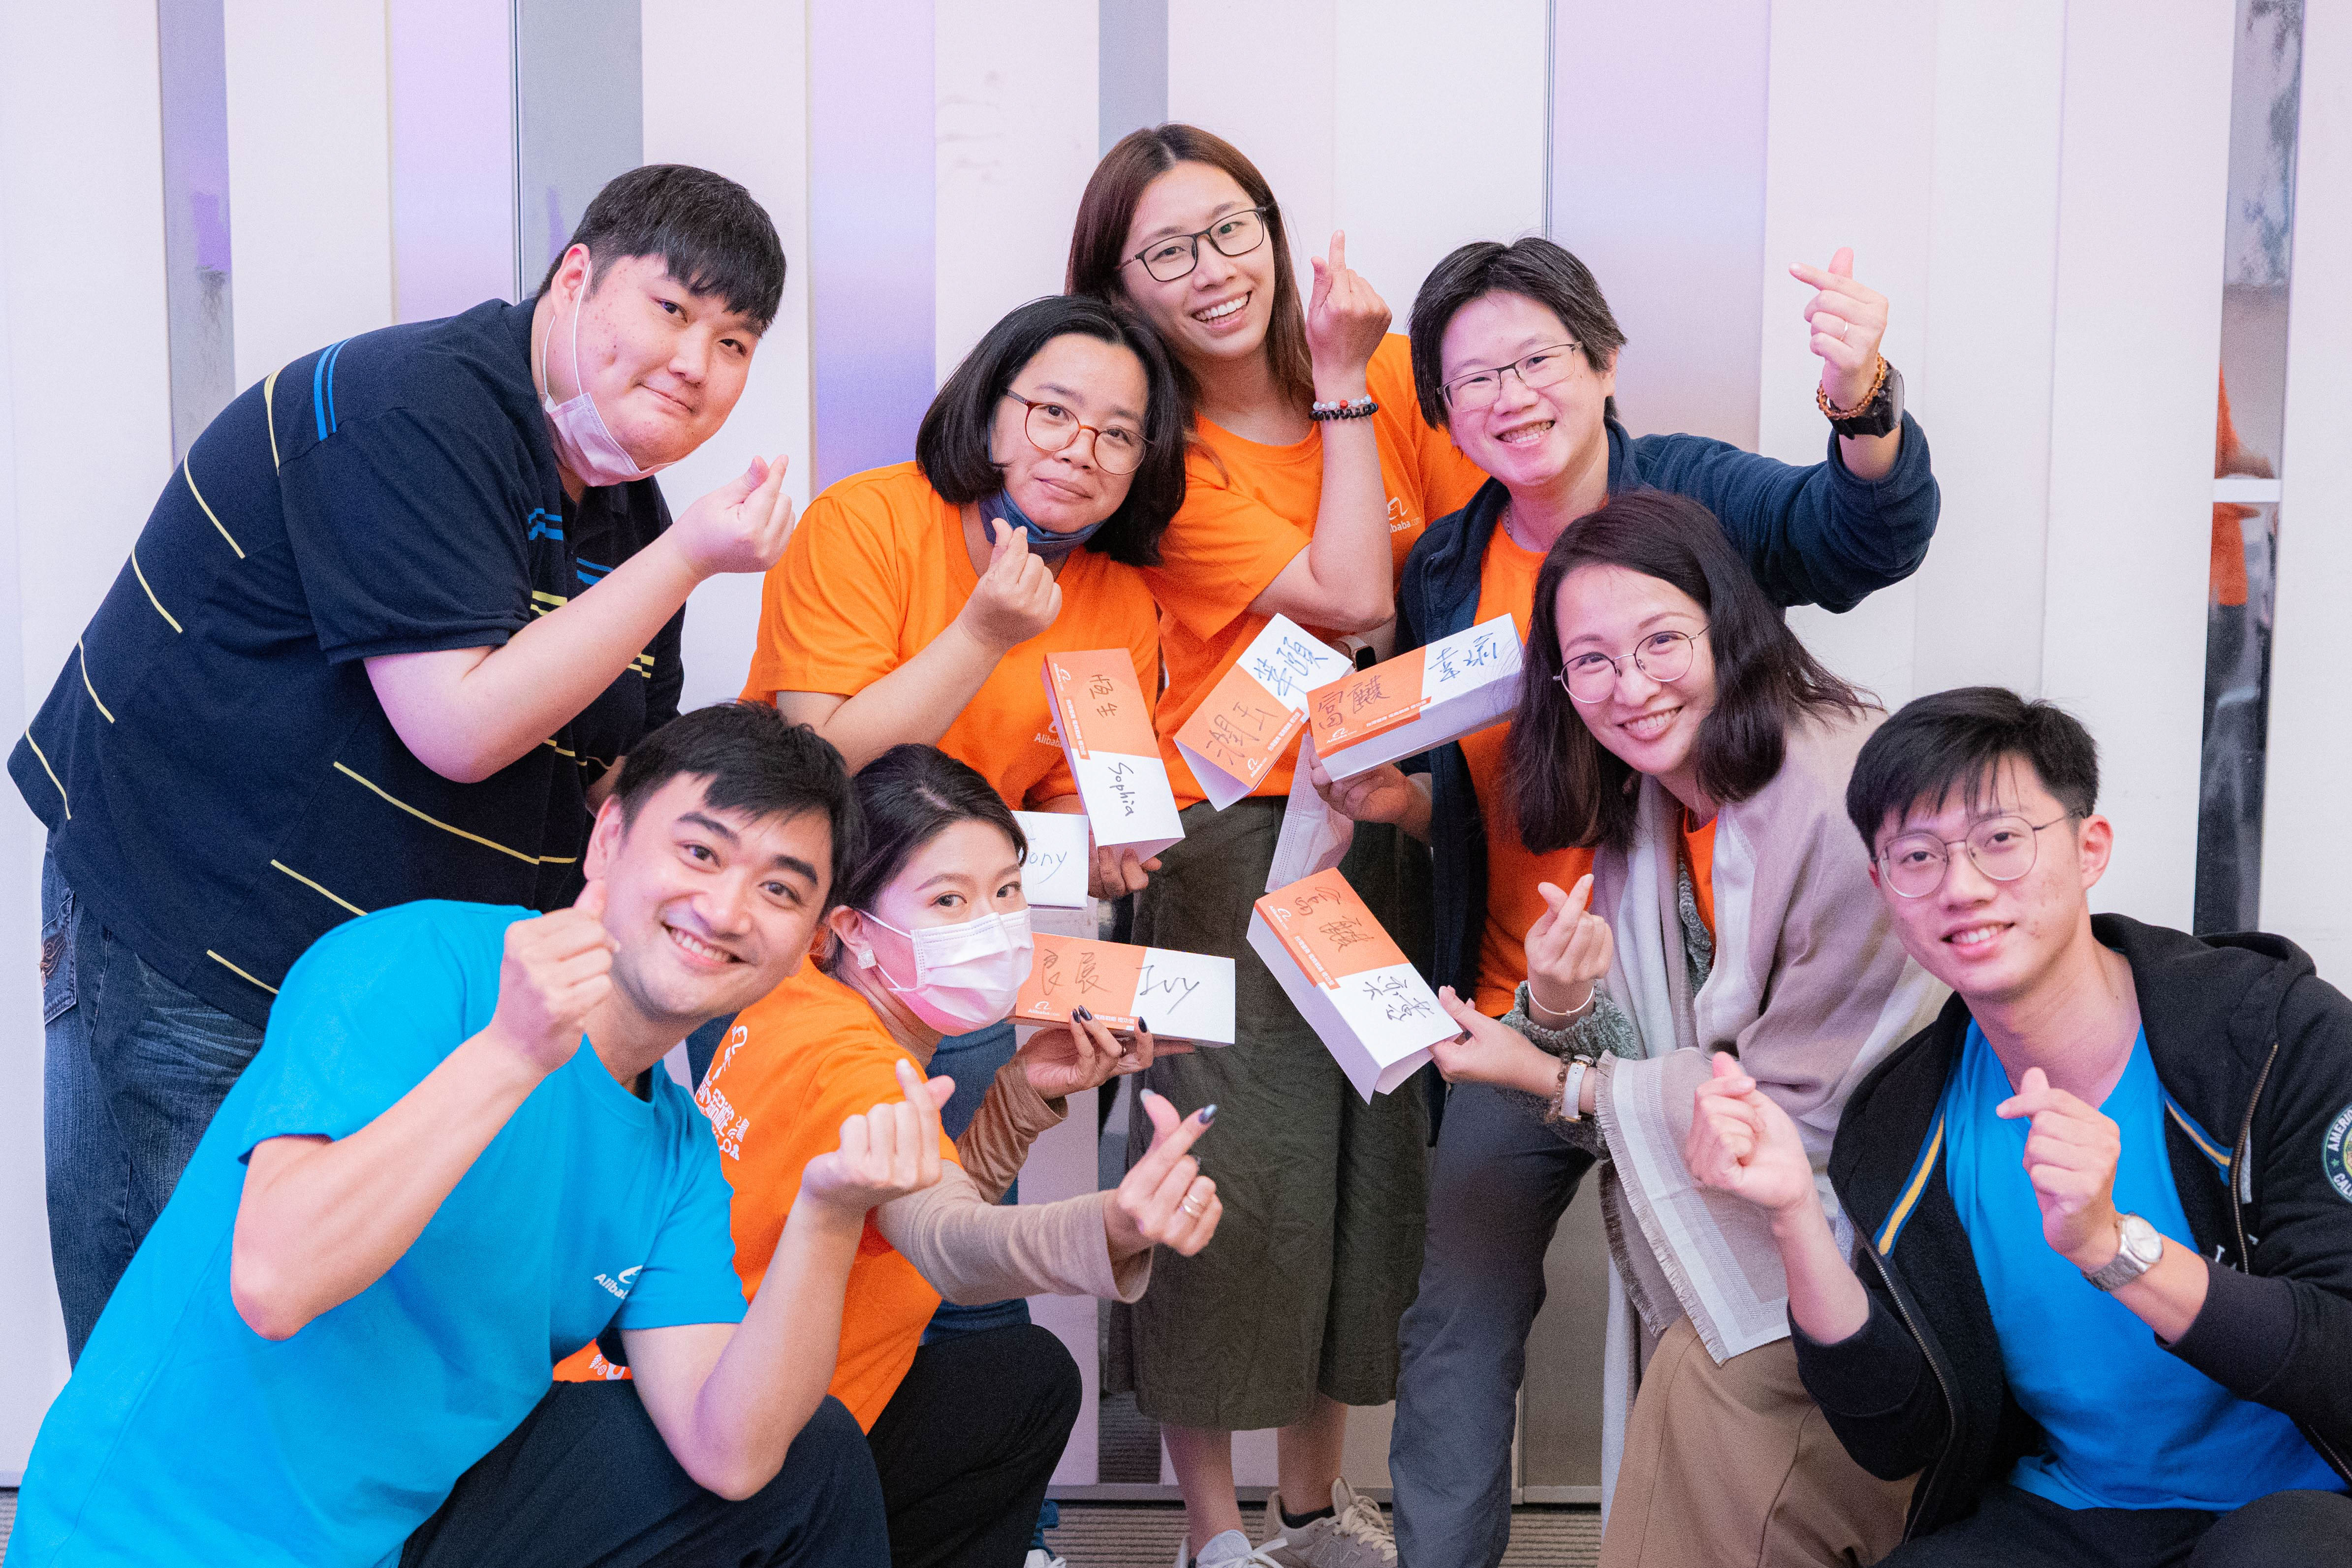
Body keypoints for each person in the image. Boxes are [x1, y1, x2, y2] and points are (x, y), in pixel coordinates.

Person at [21, 163, 800, 1360]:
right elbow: (460, 726)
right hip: (198, 929)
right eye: (671, 309)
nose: (698, 363)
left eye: (735, 343)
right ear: (576, 278)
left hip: (378, 982)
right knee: (181, 1346)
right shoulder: (417, 408)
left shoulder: (623, 514)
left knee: (334, 1361)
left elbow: (607, 792)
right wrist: (692, 557)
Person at [1331, 235, 1940, 1566]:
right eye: (1472, 378)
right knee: (1455, 1327)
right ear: (1441, 412)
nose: (1509, 396)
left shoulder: (1692, 502)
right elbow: (1488, 780)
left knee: (1717, 1332)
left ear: (1602, 362)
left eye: (1535, 359)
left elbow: (1860, 533)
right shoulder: (1445, 565)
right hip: (1520, 1003)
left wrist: (1862, 399)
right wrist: (1406, 811)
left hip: (1711, 1013)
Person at [7, 703, 933, 1568]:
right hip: (164, 1540)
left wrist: (828, 1216)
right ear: (609, 839)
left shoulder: (675, 1150)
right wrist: (511, 1053)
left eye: (779, 889)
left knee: (815, 1459)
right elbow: (275, 1283)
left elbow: (732, 1455)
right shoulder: (418, 962)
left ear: (811, 938)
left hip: (404, 1531)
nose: (728, 911)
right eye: (699, 851)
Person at [1065, 123, 1486, 1568]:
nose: (1210, 269)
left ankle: (1309, 1510)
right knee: (1229, 1161)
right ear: (1120, 287)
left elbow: (1460, 571)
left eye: (1229, 228)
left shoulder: (1388, 379)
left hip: (1388, 812)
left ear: (1272, 226)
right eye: (1165, 251)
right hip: (1229, 837)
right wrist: (1340, 390)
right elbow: (1353, 591)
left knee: (1369, 1168)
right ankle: (1210, 1535)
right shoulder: (1162, 459)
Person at [1686, 687, 2352, 1566]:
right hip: (2075, 1510)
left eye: (2001, 839)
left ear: (2089, 848)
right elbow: (1900, 1437)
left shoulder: (2274, 1039)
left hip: (2308, 1503)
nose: (1961, 887)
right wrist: (1793, 1218)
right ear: (1884, 888)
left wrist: (2114, 1247)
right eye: (1917, 856)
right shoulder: (1900, 1121)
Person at [1430, 492, 1945, 1568]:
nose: (1631, 686)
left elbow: (1797, 1113)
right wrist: (1556, 1006)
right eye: (1591, 661)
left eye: (1661, 641)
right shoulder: (1651, 808)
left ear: (1728, 624)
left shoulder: (1837, 795)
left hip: (1879, 1245)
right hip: (1763, 1218)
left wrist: (1546, 1073)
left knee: (1688, 1420)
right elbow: (1638, 1054)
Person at [697, 744, 1224, 1567]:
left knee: (1018, 1380)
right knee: (1026, 1380)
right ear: (853, 926)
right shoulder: (859, 1069)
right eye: (948, 899)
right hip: (757, 1447)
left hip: (712, 1400)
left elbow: (909, 1215)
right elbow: (950, 1242)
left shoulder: (797, 985)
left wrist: (1019, 1093)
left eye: (1006, 891)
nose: (990, 925)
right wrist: (1111, 1225)